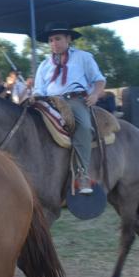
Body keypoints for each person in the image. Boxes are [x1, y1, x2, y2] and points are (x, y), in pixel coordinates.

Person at [33, 21, 106, 195]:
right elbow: (38, 89)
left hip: (74, 100)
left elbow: (99, 79)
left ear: (68, 39)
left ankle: (82, 174)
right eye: (50, 40)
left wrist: (95, 94)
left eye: (57, 39)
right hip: (48, 101)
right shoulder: (44, 65)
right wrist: (34, 99)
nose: (53, 43)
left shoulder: (83, 57)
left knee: (84, 126)